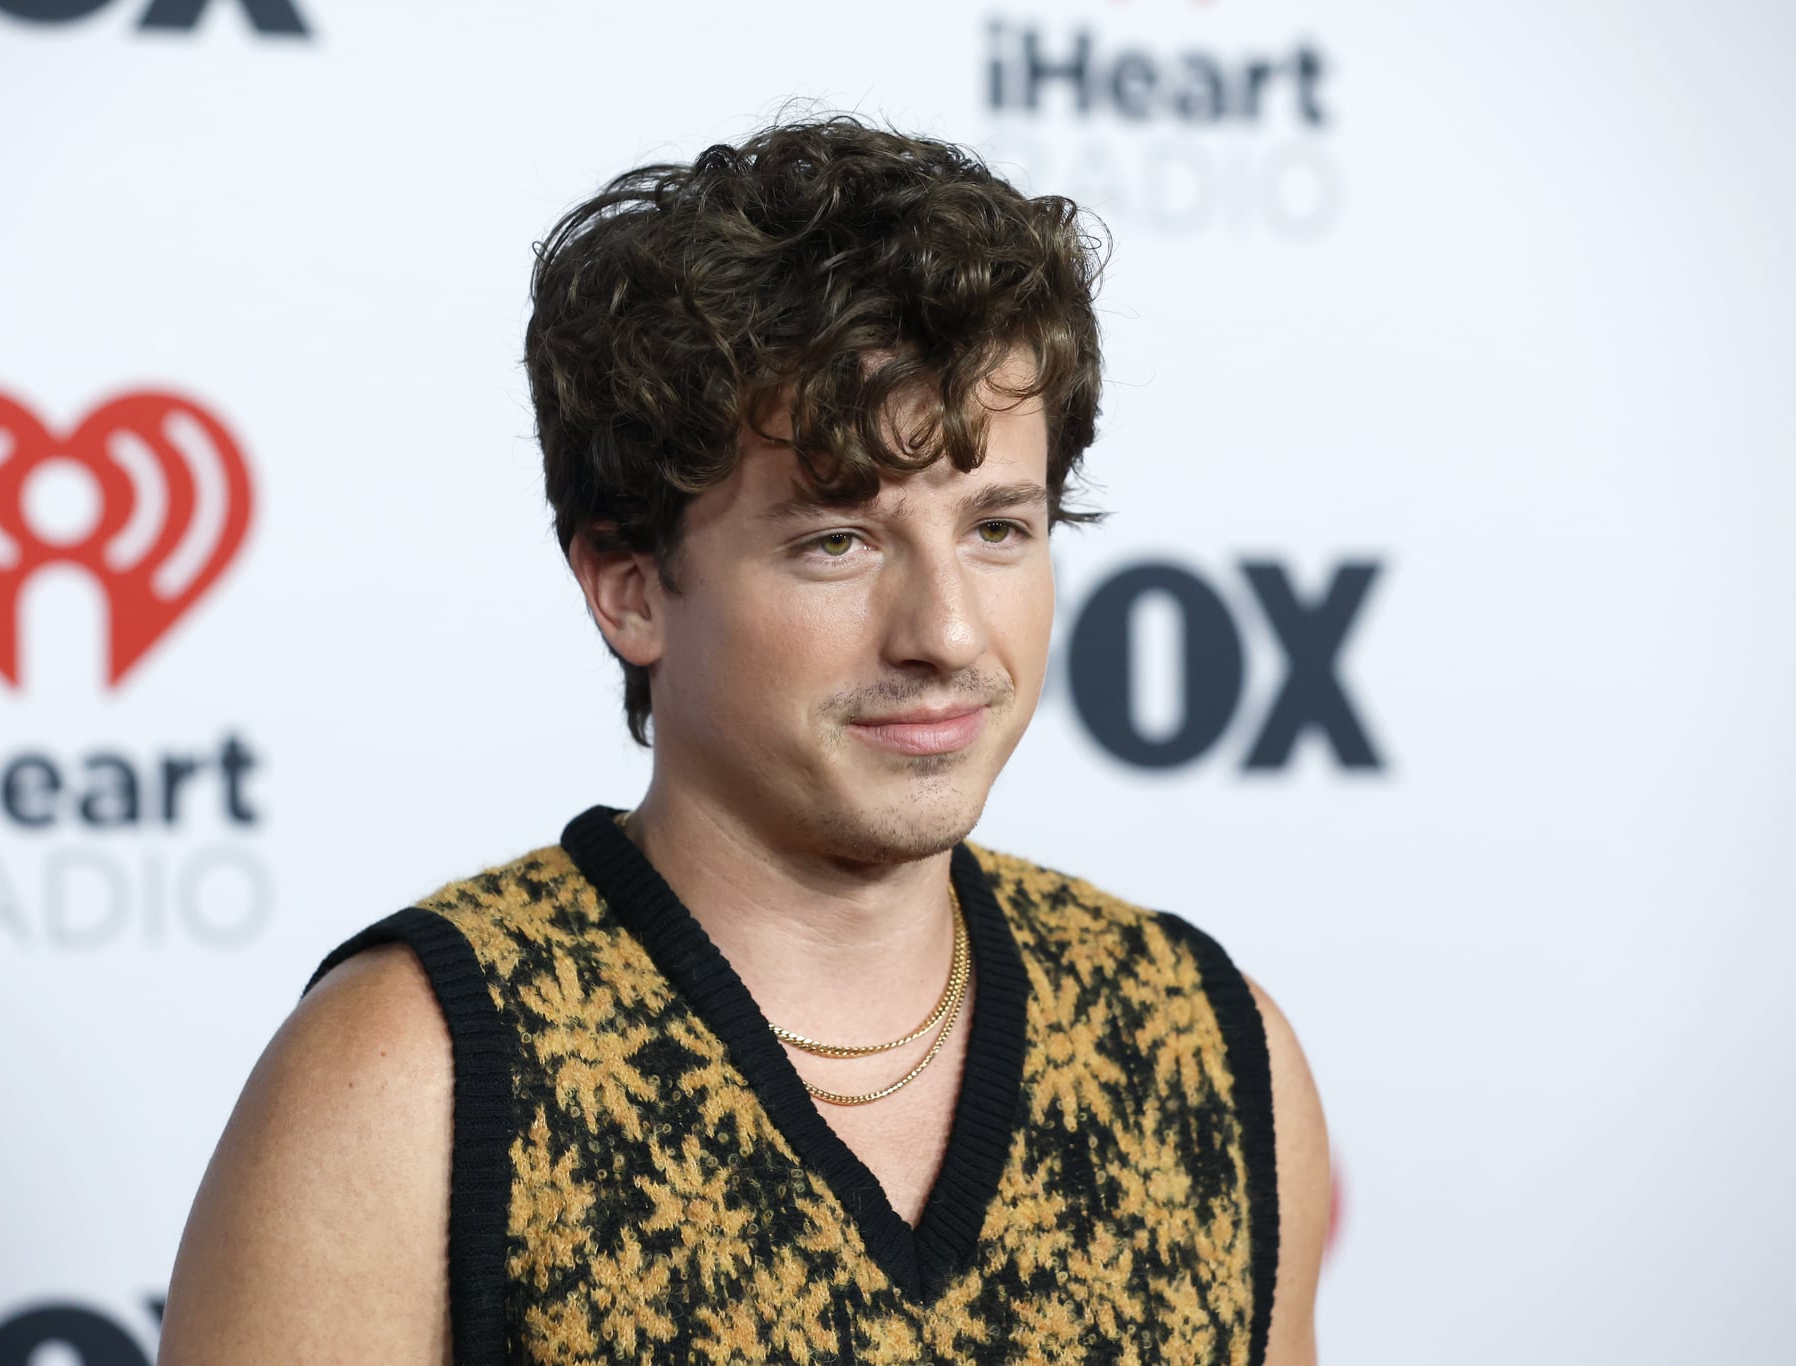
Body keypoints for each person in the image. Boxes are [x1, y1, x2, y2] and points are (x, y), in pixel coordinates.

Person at [158, 115, 1328, 1365]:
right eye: (837, 540)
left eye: (998, 529)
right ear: (629, 588)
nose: (944, 629)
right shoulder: (409, 1084)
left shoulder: (1203, 1047)